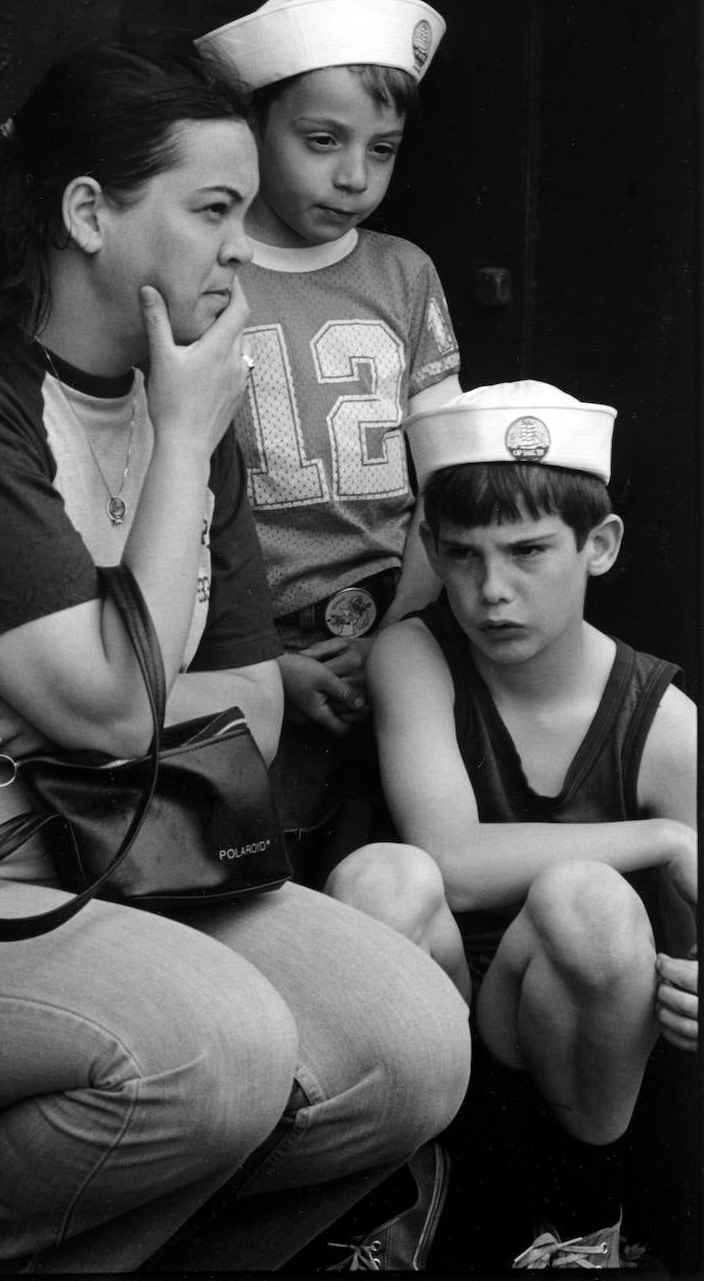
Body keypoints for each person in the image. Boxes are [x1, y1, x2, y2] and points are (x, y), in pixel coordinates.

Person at [0, 37, 471, 1273]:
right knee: (215, 1046)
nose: (242, 247)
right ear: (89, 213)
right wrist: (107, 686)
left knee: (406, 1046)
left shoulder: (183, 408)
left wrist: (81, 694)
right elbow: (117, 708)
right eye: (214, 210)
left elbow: (252, 713)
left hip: (120, 858)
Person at [361, 380, 697, 1269]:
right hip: (441, 1013)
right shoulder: (414, 654)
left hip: (576, 1030)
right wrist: (661, 840)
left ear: (601, 545)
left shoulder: (660, 718)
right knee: (381, 879)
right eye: (462, 555)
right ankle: (402, 1202)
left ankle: (586, 1217)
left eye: (528, 551)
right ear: (431, 550)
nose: (491, 591)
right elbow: (448, 861)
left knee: (585, 897)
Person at [194, 0, 462, 884]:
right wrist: (264, 661)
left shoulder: (402, 273)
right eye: (322, 141)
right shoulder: (210, 272)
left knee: (387, 864)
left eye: (381, 150)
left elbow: (446, 476)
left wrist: (398, 631)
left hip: (393, 630)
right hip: (240, 645)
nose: (355, 176)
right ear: (251, 128)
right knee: (251, 871)